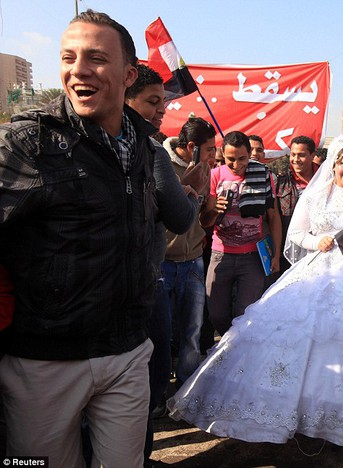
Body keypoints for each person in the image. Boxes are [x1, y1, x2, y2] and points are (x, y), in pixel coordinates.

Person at [168, 134, 343, 463]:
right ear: (332, 164)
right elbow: (297, 234)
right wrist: (319, 243)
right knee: (299, 344)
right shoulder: (316, 196)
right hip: (318, 273)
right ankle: (295, 416)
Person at [0, 10, 170, 466]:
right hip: (44, 361)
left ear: (128, 73)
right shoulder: (27, 143)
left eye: (96, 58)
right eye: (68, 58)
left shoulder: (144, 144)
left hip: (129, 352)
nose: (79, 70)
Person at [125, 63, 201, 464]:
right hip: (142, 286)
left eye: (163, 103)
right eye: (152, 102)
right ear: (124, 96)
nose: (160, 112)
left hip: (133, 285)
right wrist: (192, 194)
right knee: (146, 382)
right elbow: (180, 215)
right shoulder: (152, 150)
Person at [201, 131, 282, 335]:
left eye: (242, 159)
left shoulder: (263, 174)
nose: (236, 164)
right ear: (223, 154)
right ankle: (231, 347)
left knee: (245, 316)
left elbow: (273, 217)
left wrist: (276, 254)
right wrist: (215, 210)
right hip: (221, 254)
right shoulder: (215, 175)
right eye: (230, 159)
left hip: (253, 257)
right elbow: (204, 221)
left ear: (249, 154)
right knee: (216, 314)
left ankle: (236, 354)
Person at [161, 118, 216, 386]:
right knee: (161, 333)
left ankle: (187, 388)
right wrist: (187, 185)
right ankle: (159, 391)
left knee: (192, 332)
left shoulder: (207, 170)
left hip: (193, 260)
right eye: (209, 150)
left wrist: (213, 205)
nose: (213, 156)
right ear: (192, 147)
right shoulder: (161, 165)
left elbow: (204, 220)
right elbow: (167, 213)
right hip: (162, 262)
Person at [275, 135, 320, 273]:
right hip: (288, 249)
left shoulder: (327, 181)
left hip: (318, 248)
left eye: (301, 155)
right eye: (293, 155)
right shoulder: (280, 183)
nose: (295, 160)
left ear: (312, 155)